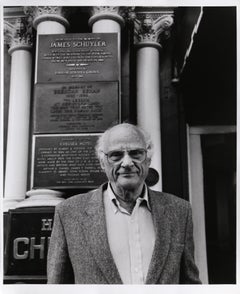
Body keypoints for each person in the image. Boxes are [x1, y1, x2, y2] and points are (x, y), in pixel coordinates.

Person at [47, 123, 201, 284]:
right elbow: (56, 287)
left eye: (136, 153)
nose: (127, 163)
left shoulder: (179, 211)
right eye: (116, 155)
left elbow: (190, 284)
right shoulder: (69, 213)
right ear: (102, 162)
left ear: (148, 159)